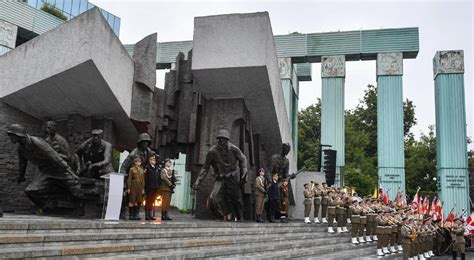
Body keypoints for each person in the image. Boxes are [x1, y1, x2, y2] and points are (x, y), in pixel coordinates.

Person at [7, 123, 84, 214]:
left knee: (76, 190)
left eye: (12, 135)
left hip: (59, 169)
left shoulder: (36, 142)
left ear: (18, 135)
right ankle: (46, 208)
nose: (10, 138)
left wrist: (71, 173)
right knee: (30, 191)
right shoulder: (20, 149)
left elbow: (55, 157)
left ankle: (80, 209)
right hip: (45, 171)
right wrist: (21, 176)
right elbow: (22, 163)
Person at [193, 129, 248, 221]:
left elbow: (243, 159)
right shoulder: (212, 152)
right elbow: (205, 168)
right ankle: (219, 215)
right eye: (221, 139)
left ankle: (240, 216)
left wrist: (244, 172)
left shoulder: (234, 149)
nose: (222, 142)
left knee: (237, 198)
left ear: (227, 140)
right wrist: (198, 181)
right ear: (218, 140)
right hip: (220, 178)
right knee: (213, 198)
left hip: (232, 177)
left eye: (225, 140)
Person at [144, 153, 161, 220]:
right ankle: (147, 215)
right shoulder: (147, 167)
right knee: (148, 201)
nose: (154, 161)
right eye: (152, 159)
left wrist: (158, 185)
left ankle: (150, 215)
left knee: (152, 201)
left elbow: (158, 178)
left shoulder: (156, 168)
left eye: (154, 160)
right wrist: (145, 187)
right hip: (149, 187)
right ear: (149, 160)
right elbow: (145, 178)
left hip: (155, 187)